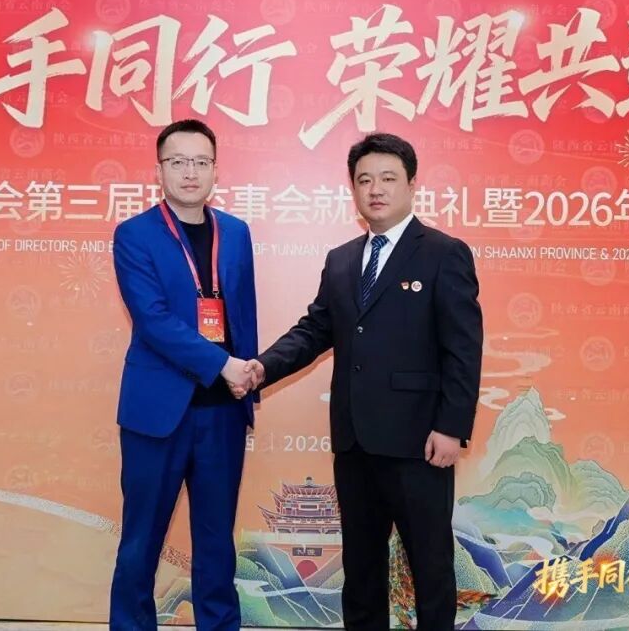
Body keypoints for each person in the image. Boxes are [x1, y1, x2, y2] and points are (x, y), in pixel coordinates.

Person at [243, 132, 483, 630]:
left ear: (411, 184)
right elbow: (315, 330)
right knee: (362, 569)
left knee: (430, 566)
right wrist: (264, 367)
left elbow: (463, 349)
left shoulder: (444, 253)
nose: (376, 189)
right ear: (352, 188)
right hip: (354, 441)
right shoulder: (342, 259)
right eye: (364, 180)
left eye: (388, 178)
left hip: (419, 441)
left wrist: (452, 426)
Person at [109, 119, 258, 631]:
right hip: (157, 413)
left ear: (215, 169)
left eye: (200, 162)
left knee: (217, 541)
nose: (190, 172)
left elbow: (242, 315)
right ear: (159, 171)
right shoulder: (134, 235)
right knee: (141, 541)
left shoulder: (236, 233)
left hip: (222, 412)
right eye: (178, 162)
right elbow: (152, 321)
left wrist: (246, 378)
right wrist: (222, 364)